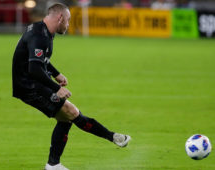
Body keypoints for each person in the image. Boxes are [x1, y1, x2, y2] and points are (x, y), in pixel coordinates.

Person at [12, 3, 131, 170]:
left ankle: (53, 164)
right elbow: (34, 69)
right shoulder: (40, 35)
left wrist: (56, 73)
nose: (68, 25)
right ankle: (113, 137)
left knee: (65, 118)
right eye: (67, 20)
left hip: (31, 82)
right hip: (29, 86)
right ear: (60, 18)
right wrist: (56, 88)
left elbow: (39, 59)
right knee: (71, 112)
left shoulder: (42, 30)